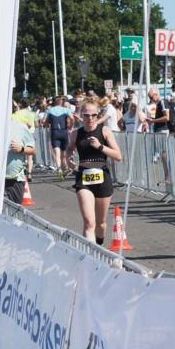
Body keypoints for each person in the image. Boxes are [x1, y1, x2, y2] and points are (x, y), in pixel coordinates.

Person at [65, 97, 122, 244]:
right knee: (89, 222)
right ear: (81, 115)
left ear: (98, 115)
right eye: (86, 115)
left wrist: (100, 147)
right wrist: (68, 158)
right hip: (83, 178)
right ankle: (90, 257)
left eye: (93, 115)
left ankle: (99, 243)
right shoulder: (76, 133)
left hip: (102, 177)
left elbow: (118, 156)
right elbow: (70, 148)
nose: (90, 118)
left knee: (100, 223)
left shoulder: (104, 131)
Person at [4, 115, 35, 205]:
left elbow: (32, 150)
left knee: (15, 212)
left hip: (15, 179)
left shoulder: (20, 127)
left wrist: (21, 149)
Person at [44, 96, 72, 174]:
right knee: (63, 153)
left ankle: (60, 169)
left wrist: (46, 124)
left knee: (57, 153)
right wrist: (70, 125)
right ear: (61, 102)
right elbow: (72, 118)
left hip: (54, 132)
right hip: (64, 131)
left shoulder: (49, 110)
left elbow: (44, 121)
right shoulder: (66, 110)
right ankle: (64, 169)